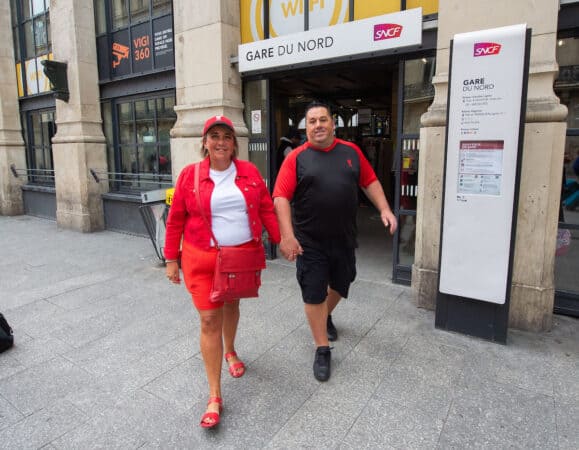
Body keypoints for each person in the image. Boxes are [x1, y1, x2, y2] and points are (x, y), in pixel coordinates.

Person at [164, 115, 280, 428]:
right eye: (214, 136)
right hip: (201, 259)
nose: (220, 142)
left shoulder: (250, 171)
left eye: (226, 136)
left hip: (239, 257)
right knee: (209, 318)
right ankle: (214, 394)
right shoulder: (190, 175)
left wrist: (283, 240)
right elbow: (175, 220)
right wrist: (171, 258)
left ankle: (230, 351)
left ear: (234, 144)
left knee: (232, 305)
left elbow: (267, 207)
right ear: (204, 143)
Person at [272, 101, 397, 382]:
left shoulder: (350, 152)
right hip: (309, 241)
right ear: (306, 127)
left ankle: (323, 315)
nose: (318, 125)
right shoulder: (296, 158)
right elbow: (280, 197)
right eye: (312, 121)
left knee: (343, 282)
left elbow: (370, 181)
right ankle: (322, 349)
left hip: (344, 237)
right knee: (313, 292)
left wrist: (385, 209)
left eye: (323, 120)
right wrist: (287, 236)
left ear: (333, 124)